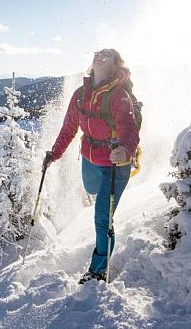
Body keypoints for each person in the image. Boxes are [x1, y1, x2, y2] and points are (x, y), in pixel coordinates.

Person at [43, 48, 140, 283]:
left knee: (102, 218)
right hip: (89, 159)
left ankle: (98, 270)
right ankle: (105, 207)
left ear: (115, 64)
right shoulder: (79, 95)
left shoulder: (119, 96)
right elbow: (69, 129)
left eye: (107, 55)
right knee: (92, 191)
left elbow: (130, 131)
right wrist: (53, 155)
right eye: (98, 53)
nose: (100, 56)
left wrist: (124, 150)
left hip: (115, 163)